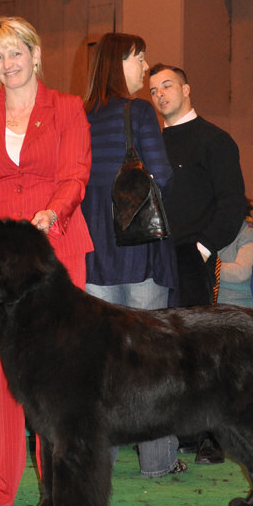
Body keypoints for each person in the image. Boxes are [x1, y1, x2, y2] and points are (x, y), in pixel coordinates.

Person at [0, 16, 93, 506]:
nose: (8, 64)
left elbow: (76, 173)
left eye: (16, 53)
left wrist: (52, 212)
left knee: (58, 373)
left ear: (36, 56)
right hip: (0, 259)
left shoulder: (69, 108)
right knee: (4, 367)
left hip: (57, 244)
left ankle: (62, 484)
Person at [82, 33, 184, 477]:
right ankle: (158, 463)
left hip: (95, 254)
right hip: (140, 249)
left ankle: (98, 461)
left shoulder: (80, 115)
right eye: (139, 59)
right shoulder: (139, 111)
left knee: (100, 364)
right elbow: (159, 174)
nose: (145, 69)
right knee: (151, 360)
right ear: (119, 62)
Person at [149, 64, 246, 465]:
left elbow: (233, 202)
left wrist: (203, 249)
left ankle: (211, 436)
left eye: (167, 85)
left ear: (187, 89)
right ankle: (174, 435)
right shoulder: (149, 143)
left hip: (191, 256)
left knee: (200, 351)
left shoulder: (215, 140)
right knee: (160, 351)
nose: (160, 94)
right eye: (152, 90)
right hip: (153, 255)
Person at [217, 200, 253, 308]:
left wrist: (206, 267)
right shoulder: (218, 236)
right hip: (217, 307)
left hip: (239, 308)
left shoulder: (250, 235)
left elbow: (240, 273)